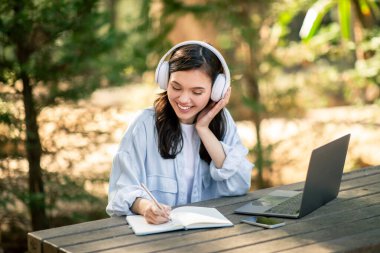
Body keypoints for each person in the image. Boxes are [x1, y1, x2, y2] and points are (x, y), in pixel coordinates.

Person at [106, 40, 253, 224]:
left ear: (216, 91)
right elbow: (121, 190)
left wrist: (203, 129)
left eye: (197, 92)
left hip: (211, 236)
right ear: (165, 80)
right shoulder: (143, 125)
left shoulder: (223, 123)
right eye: (176, 87)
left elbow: (239, 185)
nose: (184, 99)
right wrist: (146, 208)